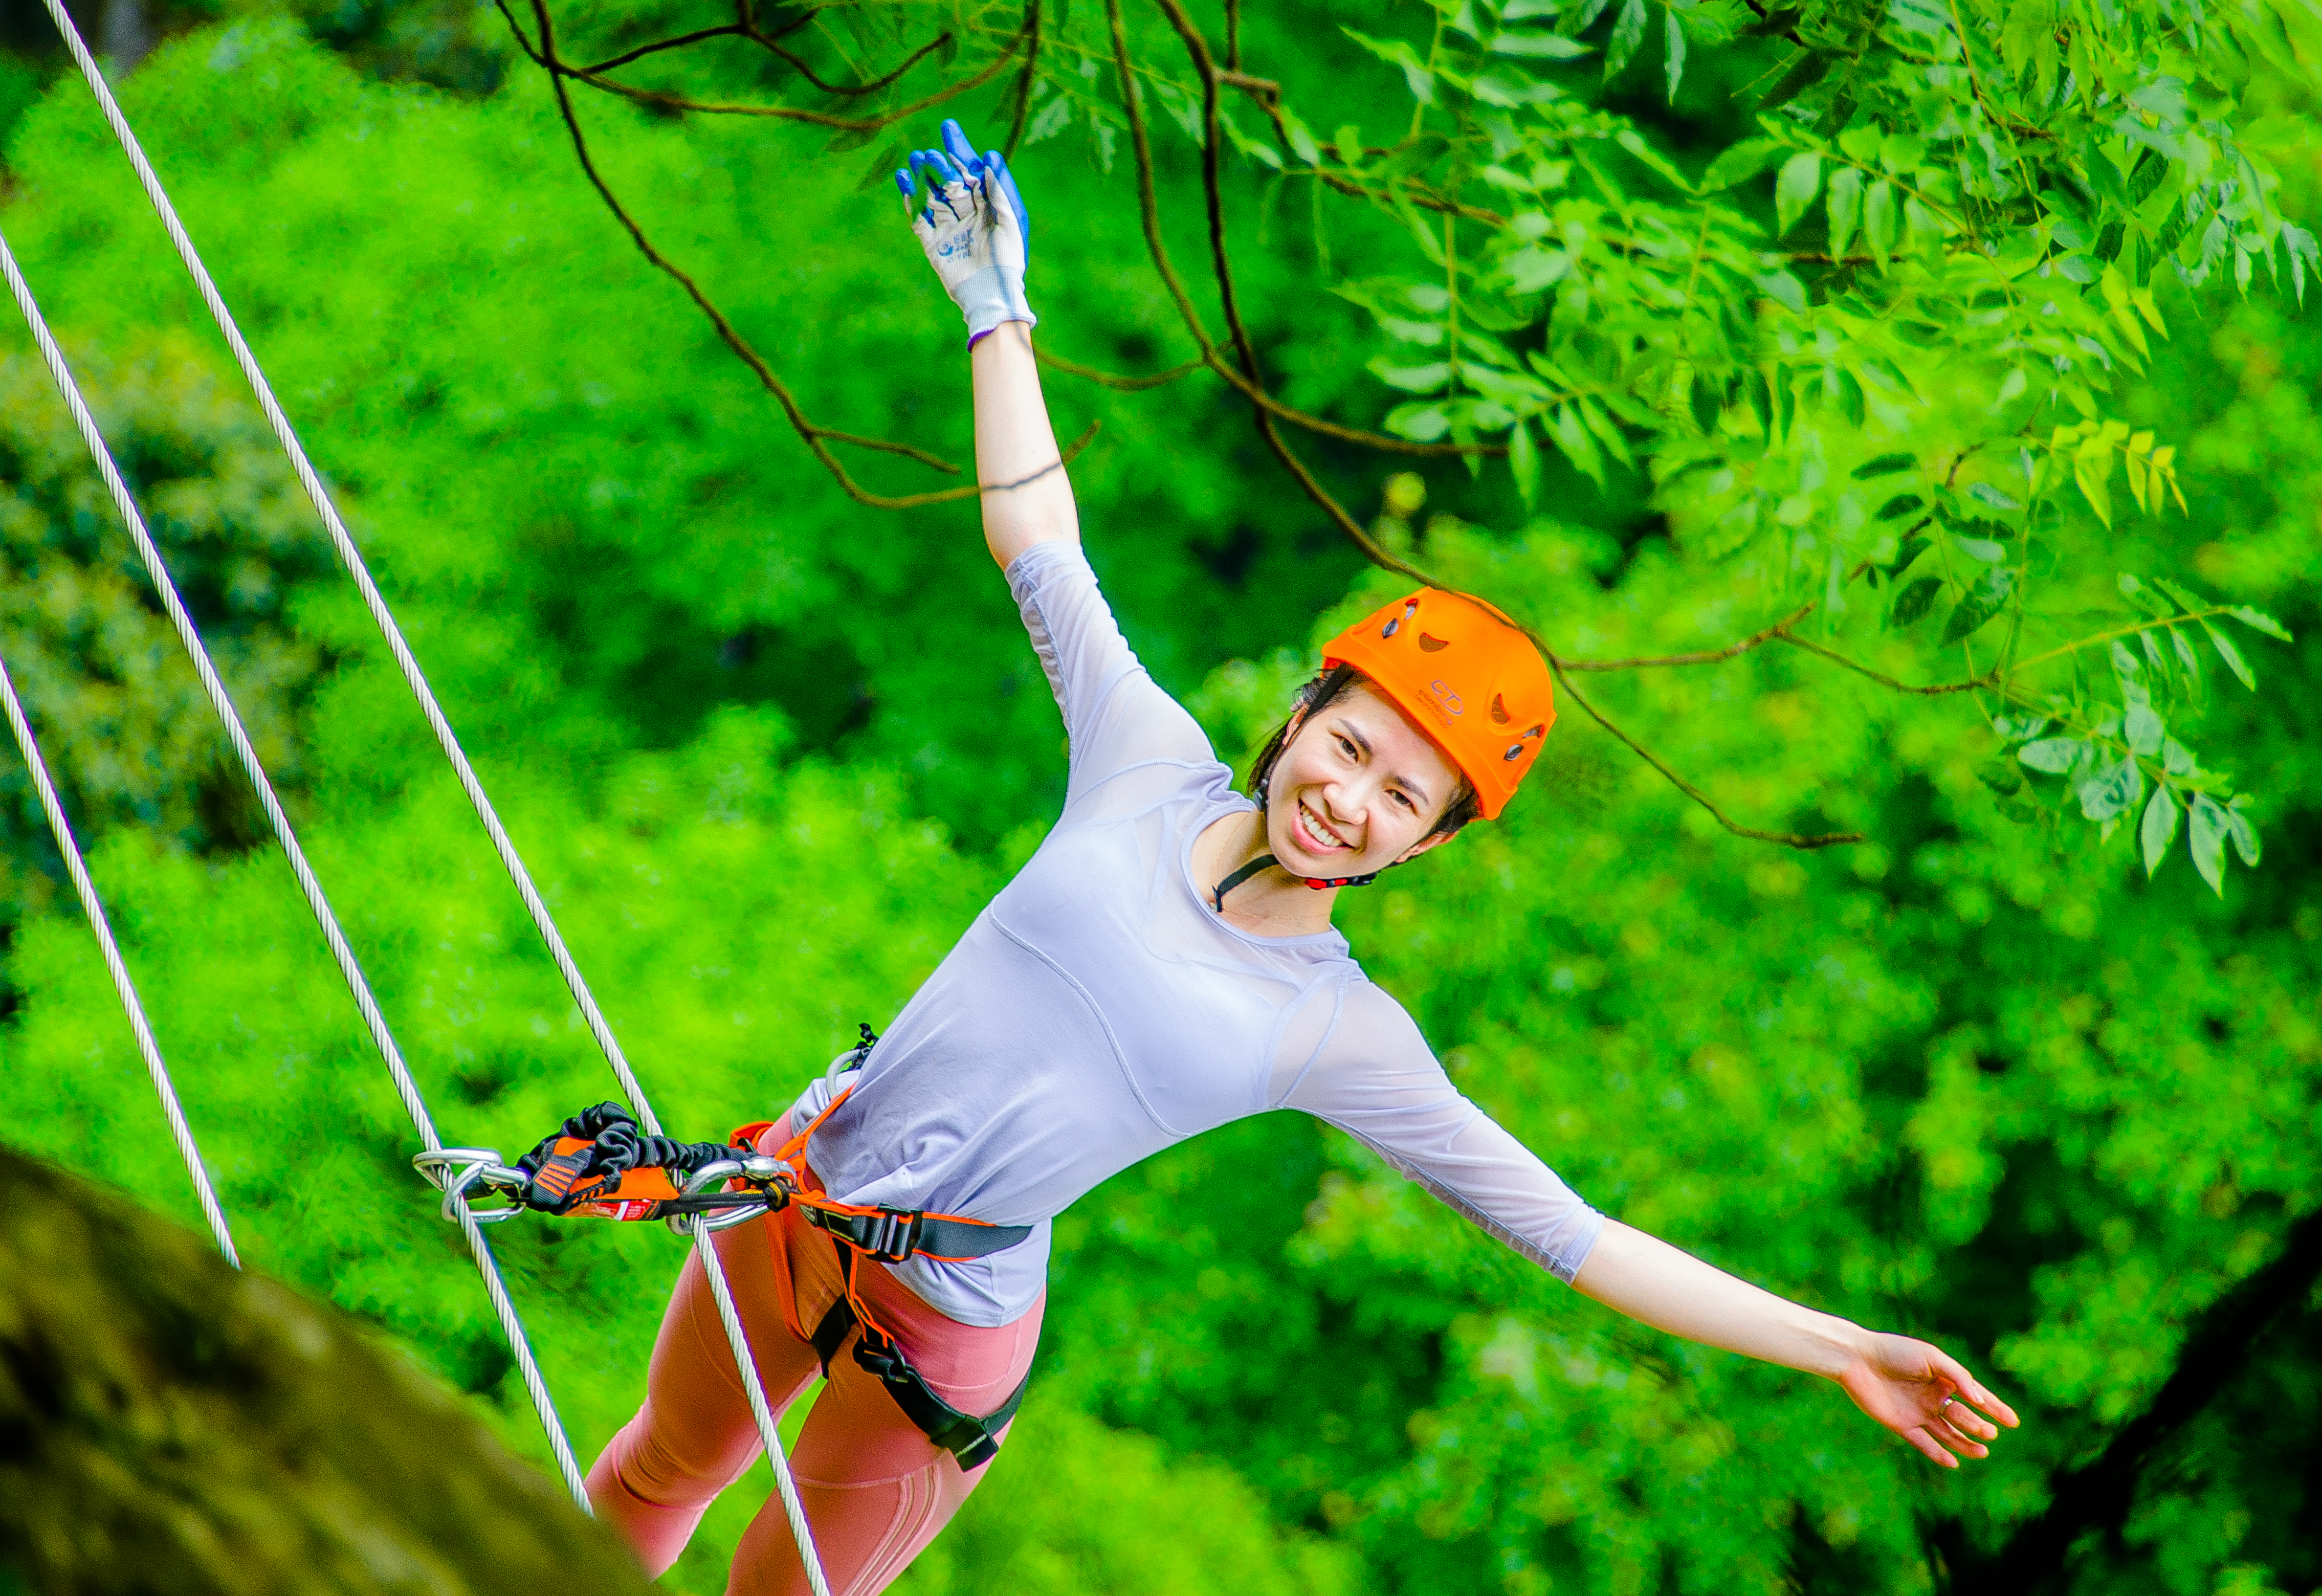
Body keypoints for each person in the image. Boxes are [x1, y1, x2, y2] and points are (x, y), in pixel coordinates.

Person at [582, 120, 2020, 1594]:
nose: (1351, 800)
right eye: (1350, 747)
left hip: (940, 1330)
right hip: (792, 1183)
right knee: (651, 1468)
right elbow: (1037, 536)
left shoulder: (1336, 1032)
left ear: (1430, 844)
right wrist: (997, 317)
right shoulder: (1142, 763)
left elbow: (1575, 1237)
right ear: (1303, 713)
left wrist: (1842, 1347)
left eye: (1405, 798)